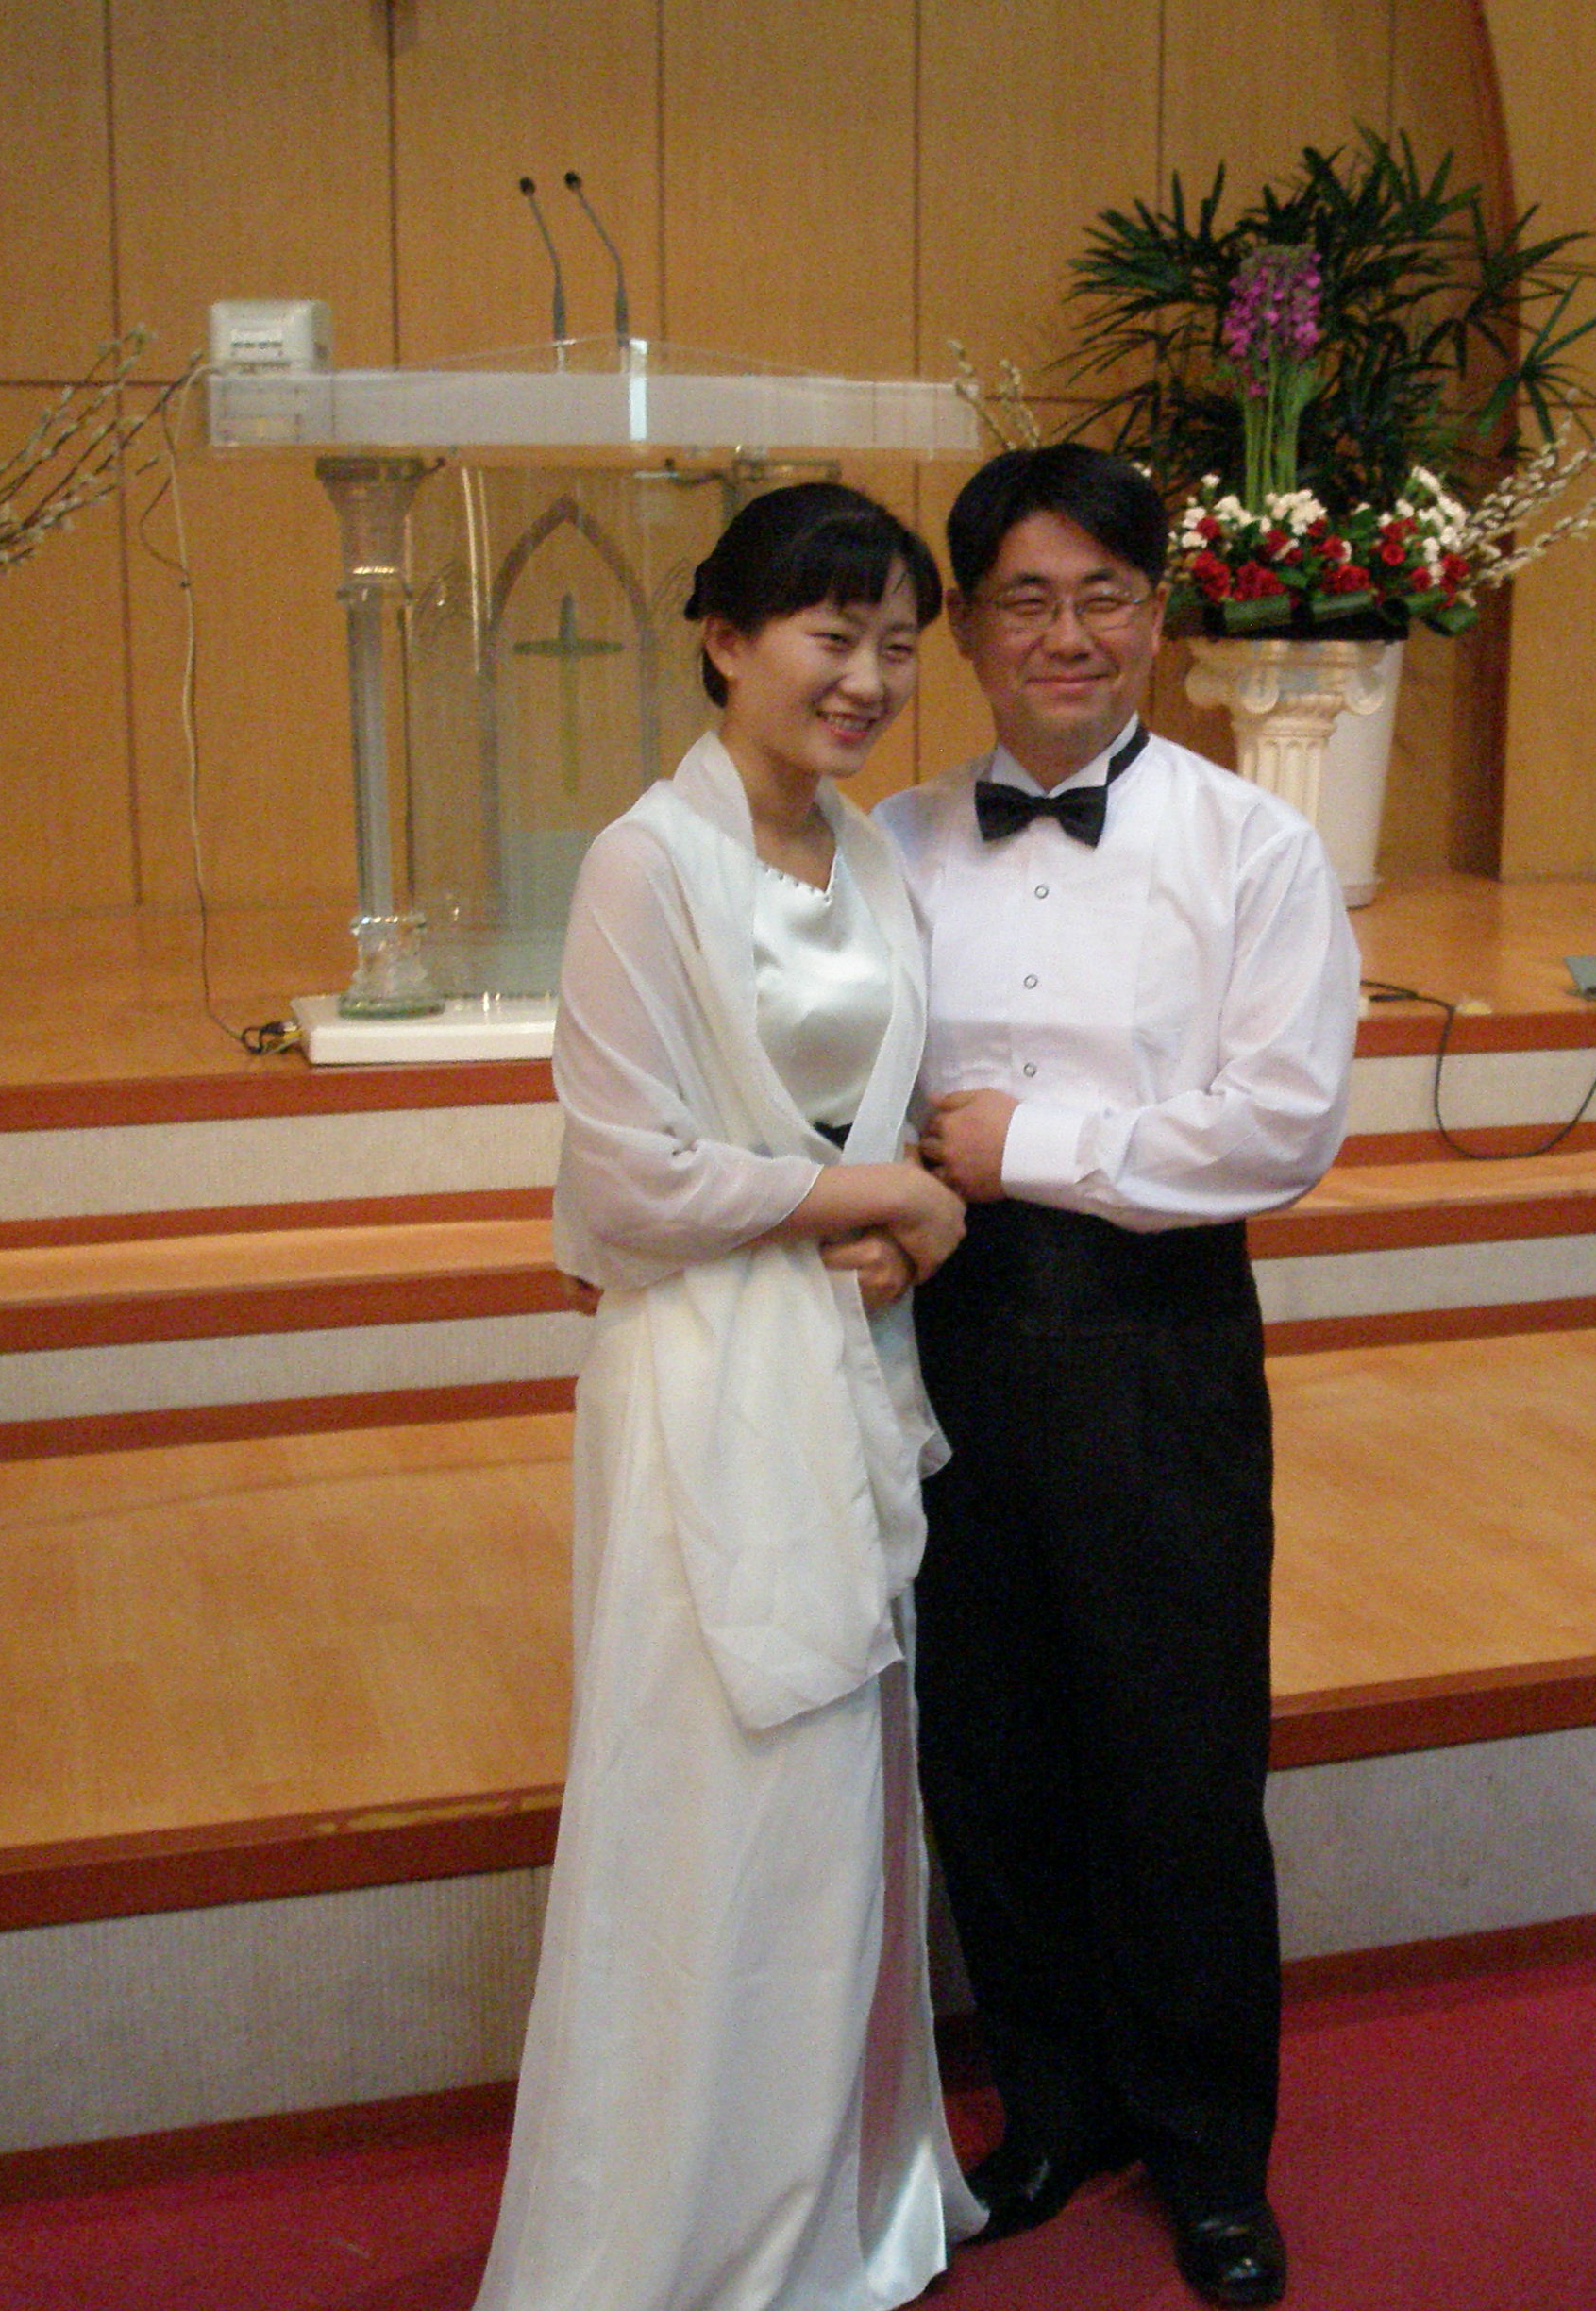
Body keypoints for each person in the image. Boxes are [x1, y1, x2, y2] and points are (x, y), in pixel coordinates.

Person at [475, 481, 983, 2311]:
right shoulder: (647, 862)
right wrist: (878, 1197)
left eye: (899, 647)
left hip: (841, 1366)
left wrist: (898, 1230)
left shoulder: (867, 857)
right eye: (832, 637)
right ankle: (676, 2243)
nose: (868, 680)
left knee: (836, 1803)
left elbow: (879, 1120)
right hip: (701, 1381)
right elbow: (627, 1181)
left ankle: (828, 2207)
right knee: (711, 1798)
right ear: (725, 638)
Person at [878, 445, 1359, 2309]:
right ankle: (1053, 2109)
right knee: (990, 1752)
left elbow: (1279, 1128)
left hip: (1155, 1338)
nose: (1065, 633)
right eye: (1025, 597)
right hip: (939, 1330)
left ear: (1158, 617)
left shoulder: (1255, 848)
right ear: (966, 627)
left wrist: (1036, 1146)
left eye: (1102, 596)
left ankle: (1213, 2153)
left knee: (1178, 1760)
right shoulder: (892, 845)